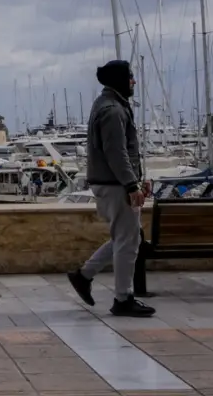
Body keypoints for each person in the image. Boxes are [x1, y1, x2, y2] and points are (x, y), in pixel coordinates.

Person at [67, 59, 155, 318]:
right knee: (128, 241)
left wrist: (136, 180)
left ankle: (84, 275)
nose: (134, 81)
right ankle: (123, 299)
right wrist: (131, 184)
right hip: (115, 185)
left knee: (126, 237)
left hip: (113, 183)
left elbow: (122, 152)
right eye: (130, 77)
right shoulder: (113, 110)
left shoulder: (108, 105)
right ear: (119, 80)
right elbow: (116, 152)